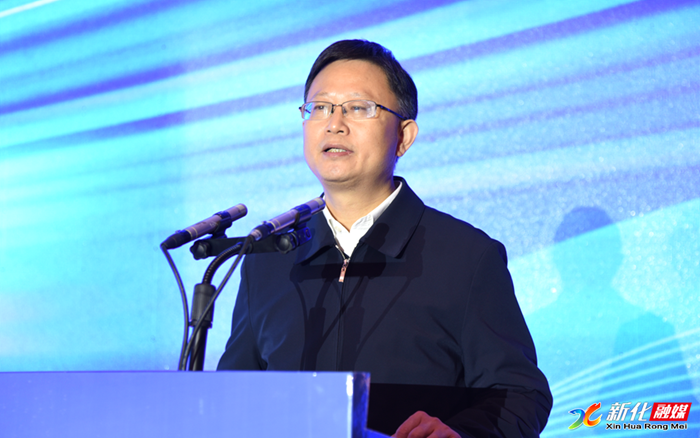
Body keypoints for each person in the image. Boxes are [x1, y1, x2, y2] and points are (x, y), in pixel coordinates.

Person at [218, 39, 552, 438]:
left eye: (358, 108)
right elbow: (231, 396)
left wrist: (459, 433)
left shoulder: (466, 256)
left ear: (404, 137)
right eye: (319, 107)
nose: (334, 123)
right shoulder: (269, 257)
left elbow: (520, 395)